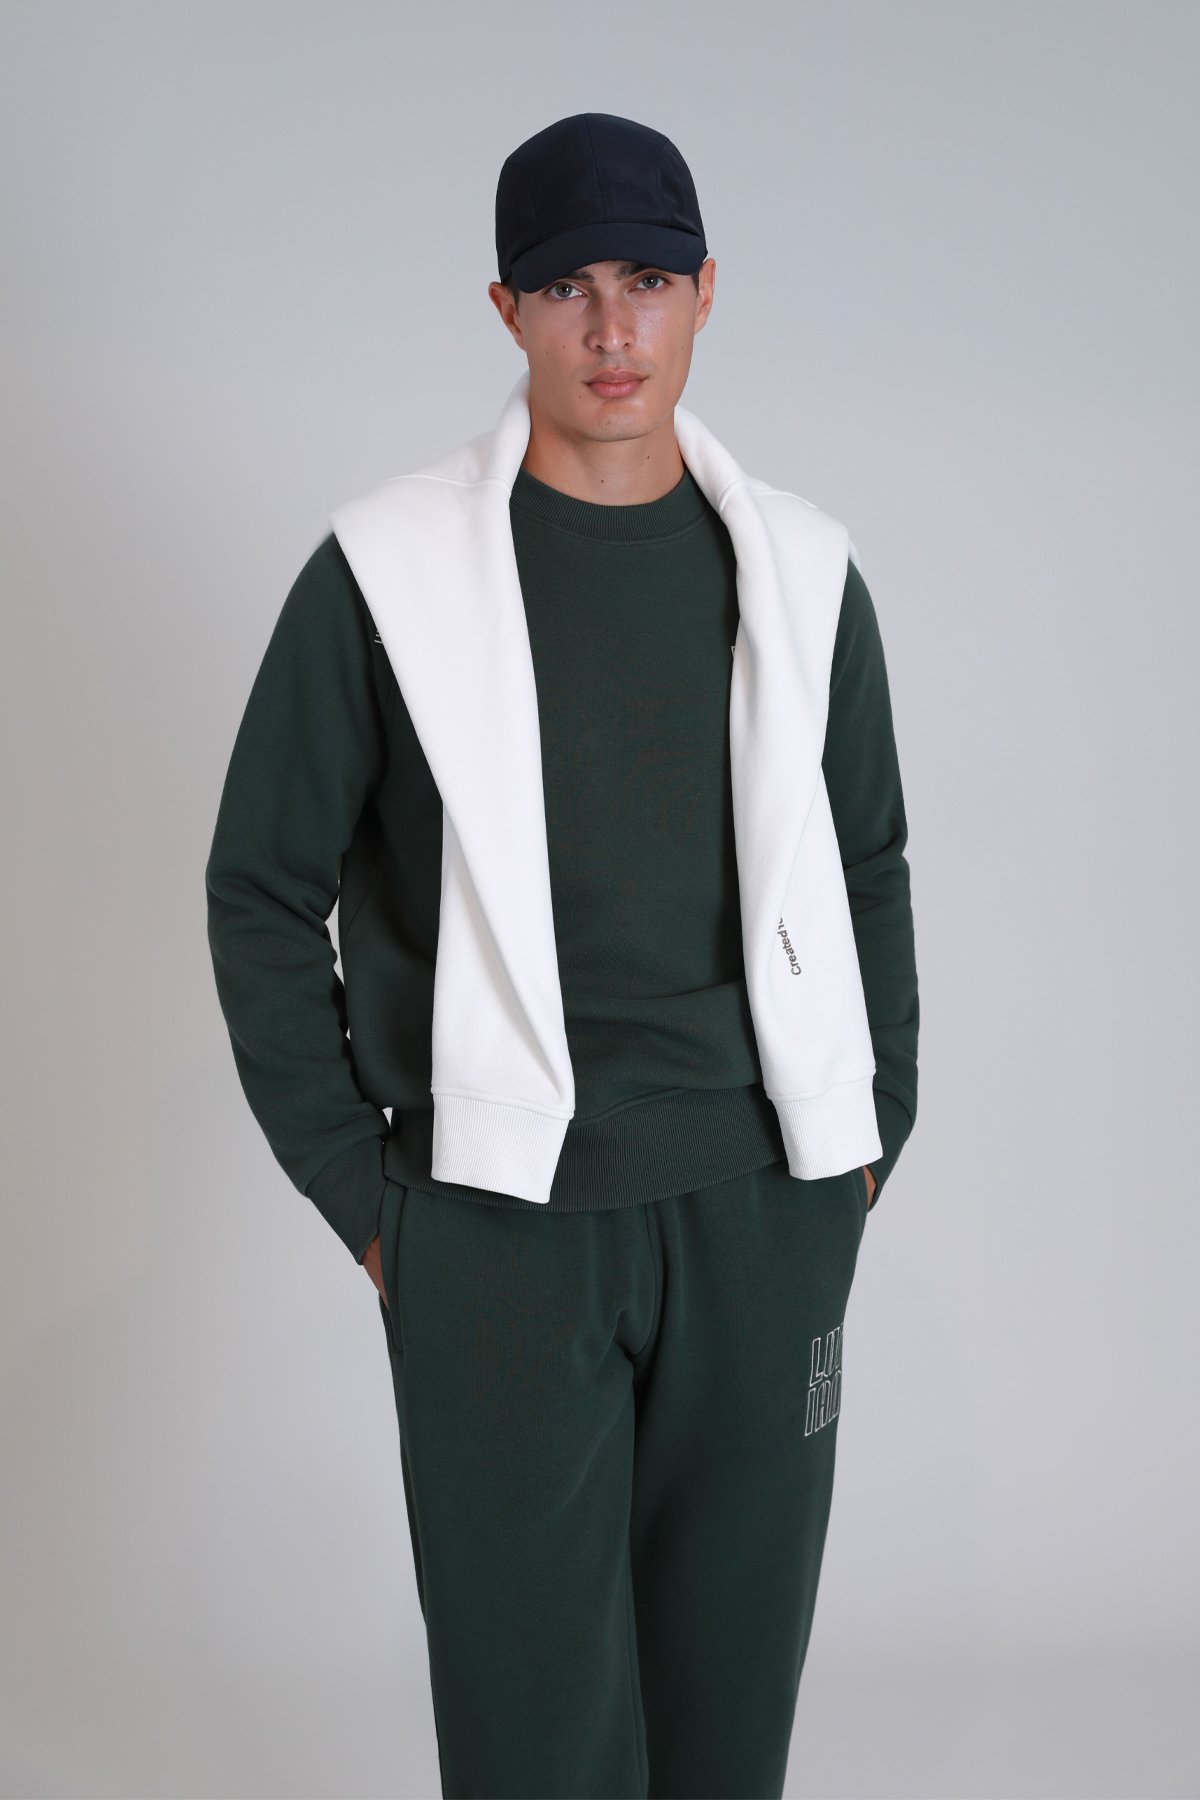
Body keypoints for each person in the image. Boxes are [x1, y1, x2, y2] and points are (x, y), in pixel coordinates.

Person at [205, 110, 919, 1800]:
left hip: (763, 1208)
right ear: (507, 309)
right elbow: (258, 888)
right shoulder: (382, 575)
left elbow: (870, 860)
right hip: (495, 1232)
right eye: (566, 286)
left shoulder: (806, 574)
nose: (612, 328)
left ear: (706, 293)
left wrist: (867, 1140)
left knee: (729, 1718)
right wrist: (369, 1199)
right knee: (535, 1733)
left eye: (648, 282)